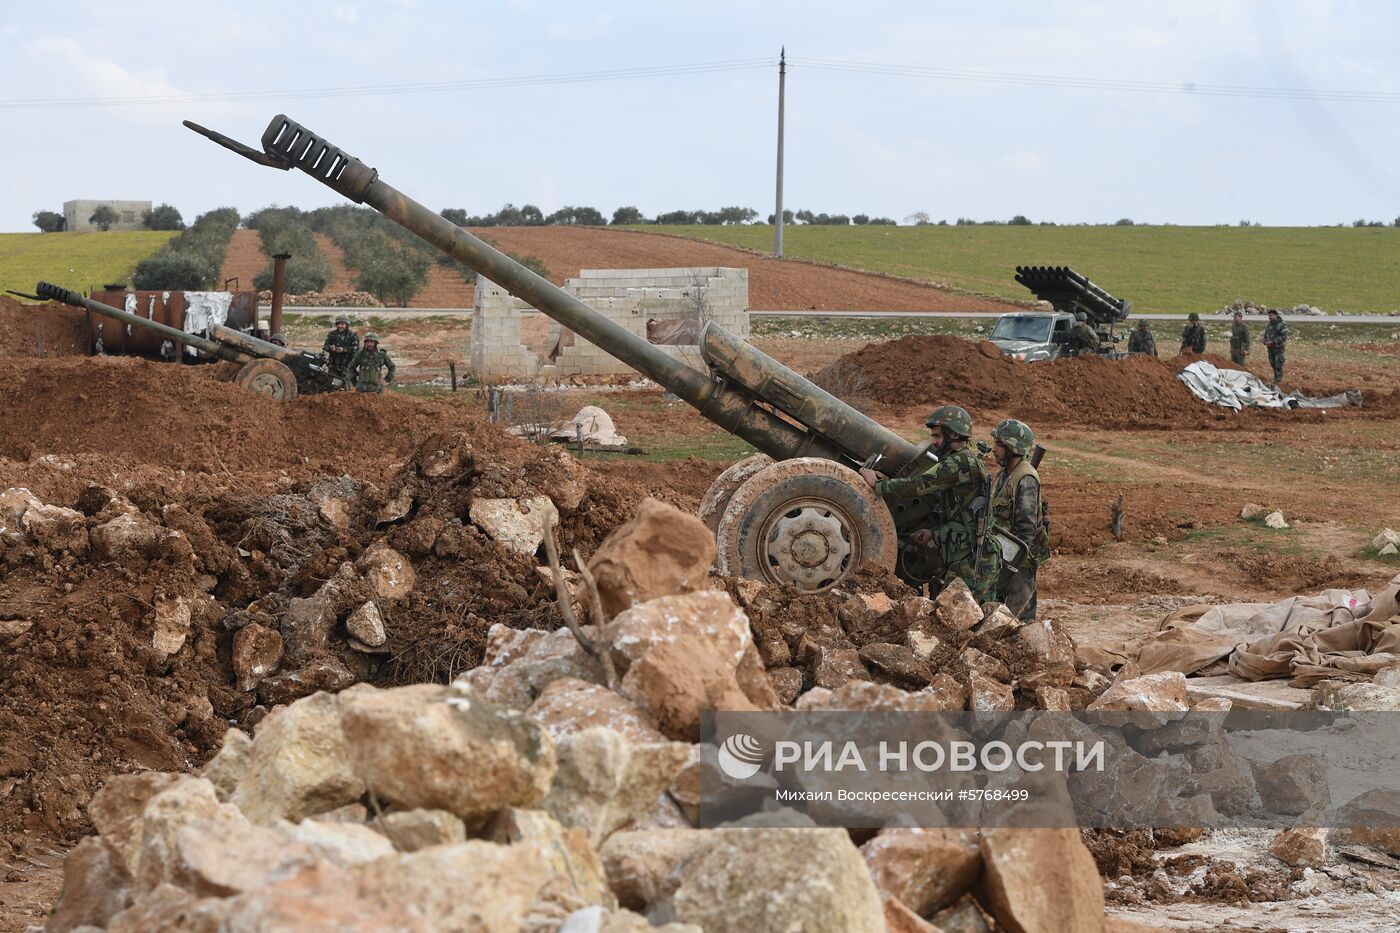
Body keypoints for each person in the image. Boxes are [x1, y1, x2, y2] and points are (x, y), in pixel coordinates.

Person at [859, 405, 996, 602]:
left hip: (969, 554)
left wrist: (878, 485)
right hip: (963, 547)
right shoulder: (960, 460)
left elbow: (921, 485)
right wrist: (934, 533)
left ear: (954, 435)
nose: (934, 442)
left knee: (961, 612)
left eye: (938, 436)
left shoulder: (959, 462)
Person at [989, 419, 1047, 621]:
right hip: (1004, 556)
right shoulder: (1004, 475)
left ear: (1013, 447)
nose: (993, 449)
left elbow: (1026, 532)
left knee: (1018, 620)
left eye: (999, 444)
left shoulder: (1026, 478)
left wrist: (1012, 565)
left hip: (1019, 562)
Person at [322, 315, 359, 379]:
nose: (340, 326)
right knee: (332, 384)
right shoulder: (331, 334)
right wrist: (330, 348)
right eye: (338, 324)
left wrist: (344, 349)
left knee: (346, 384)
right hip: (333, 365)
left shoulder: (352, 335)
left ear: (346, 325)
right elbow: (325, 347)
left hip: (347, 365)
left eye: (342, 324)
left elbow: (356, 349)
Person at [1262, 308, 1289, 383]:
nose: (1269, 317)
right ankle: (1275, 377)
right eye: (1268, 316)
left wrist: (1273, 342)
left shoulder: (1281, 325)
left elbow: (1284, 336)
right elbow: (1266, 334)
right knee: (1272, 363)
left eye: (1270, 315)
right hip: (1270, 349)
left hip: (1278, 348)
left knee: (1278, 364)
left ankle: (1279, 379)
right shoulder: (1269, 324)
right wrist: (1265, 341)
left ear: (1275, 315)